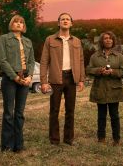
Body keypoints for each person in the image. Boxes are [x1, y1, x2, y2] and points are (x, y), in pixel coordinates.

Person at [40, 13, 85, 146]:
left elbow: (81, 61)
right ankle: (54, 139)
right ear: (58, 23)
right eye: (62, 19)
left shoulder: (77, 41)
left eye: (68, 19)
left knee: (70, 110)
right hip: (55, 79)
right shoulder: (50, 40)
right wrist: (43, 81)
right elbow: (44, 61)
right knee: (54, 110)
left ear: (71, 23)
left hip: (71, 78)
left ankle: (68, 139)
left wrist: (81, 79)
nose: (65, 21)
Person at [0, 15, 35, 152]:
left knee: (20, 113)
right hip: (10, 79)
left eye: (21, 22)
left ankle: (18, 145)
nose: (19, 24)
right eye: (16, 21)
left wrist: (30, 76)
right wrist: (14, 77)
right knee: (9, 113)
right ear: (11, 24)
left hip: (25, 79)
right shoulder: (4, 39)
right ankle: (7, 145)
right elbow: (2, 60)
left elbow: (31, 61)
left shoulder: (28, 41)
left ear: (24, 26)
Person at [86, 31, 123, 146]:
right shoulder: (95, 56)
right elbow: (89, 70)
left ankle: (116, 139)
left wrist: (112, 72)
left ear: (113, 41)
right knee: (101, 115)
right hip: (100, 89)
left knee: (115, 116)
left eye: (110, 38)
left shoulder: (119, 56)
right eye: (105, 38)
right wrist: (99, 70)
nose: (108, 40)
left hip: (115, 90)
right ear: (102, 41)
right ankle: (101, 138)